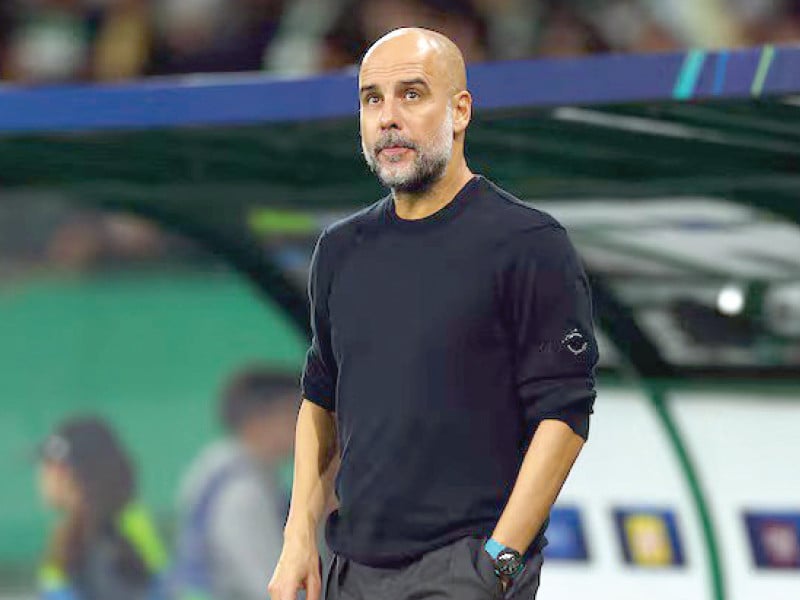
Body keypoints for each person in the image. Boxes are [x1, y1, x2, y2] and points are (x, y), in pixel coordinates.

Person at [268, 27, 598, 600]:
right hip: (353, 569)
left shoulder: (528, 242)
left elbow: (564, 417)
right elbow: (320, 400)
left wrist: (499, 561)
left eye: (412, 94)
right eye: (373, 99)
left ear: (460, 110)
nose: (389, 117)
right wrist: (299, 536)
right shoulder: (341, 249)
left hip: (463, 566)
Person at [171, 367, 300, 600]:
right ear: (259, 419)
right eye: (294, 414)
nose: (303, 427)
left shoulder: (218, 472)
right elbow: (267, 583)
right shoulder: (242, 491)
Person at [36, 416, 168, 600]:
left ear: (68, 473)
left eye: (48, 466)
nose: (41, 477)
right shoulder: (83, 532)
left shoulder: (107, 541)